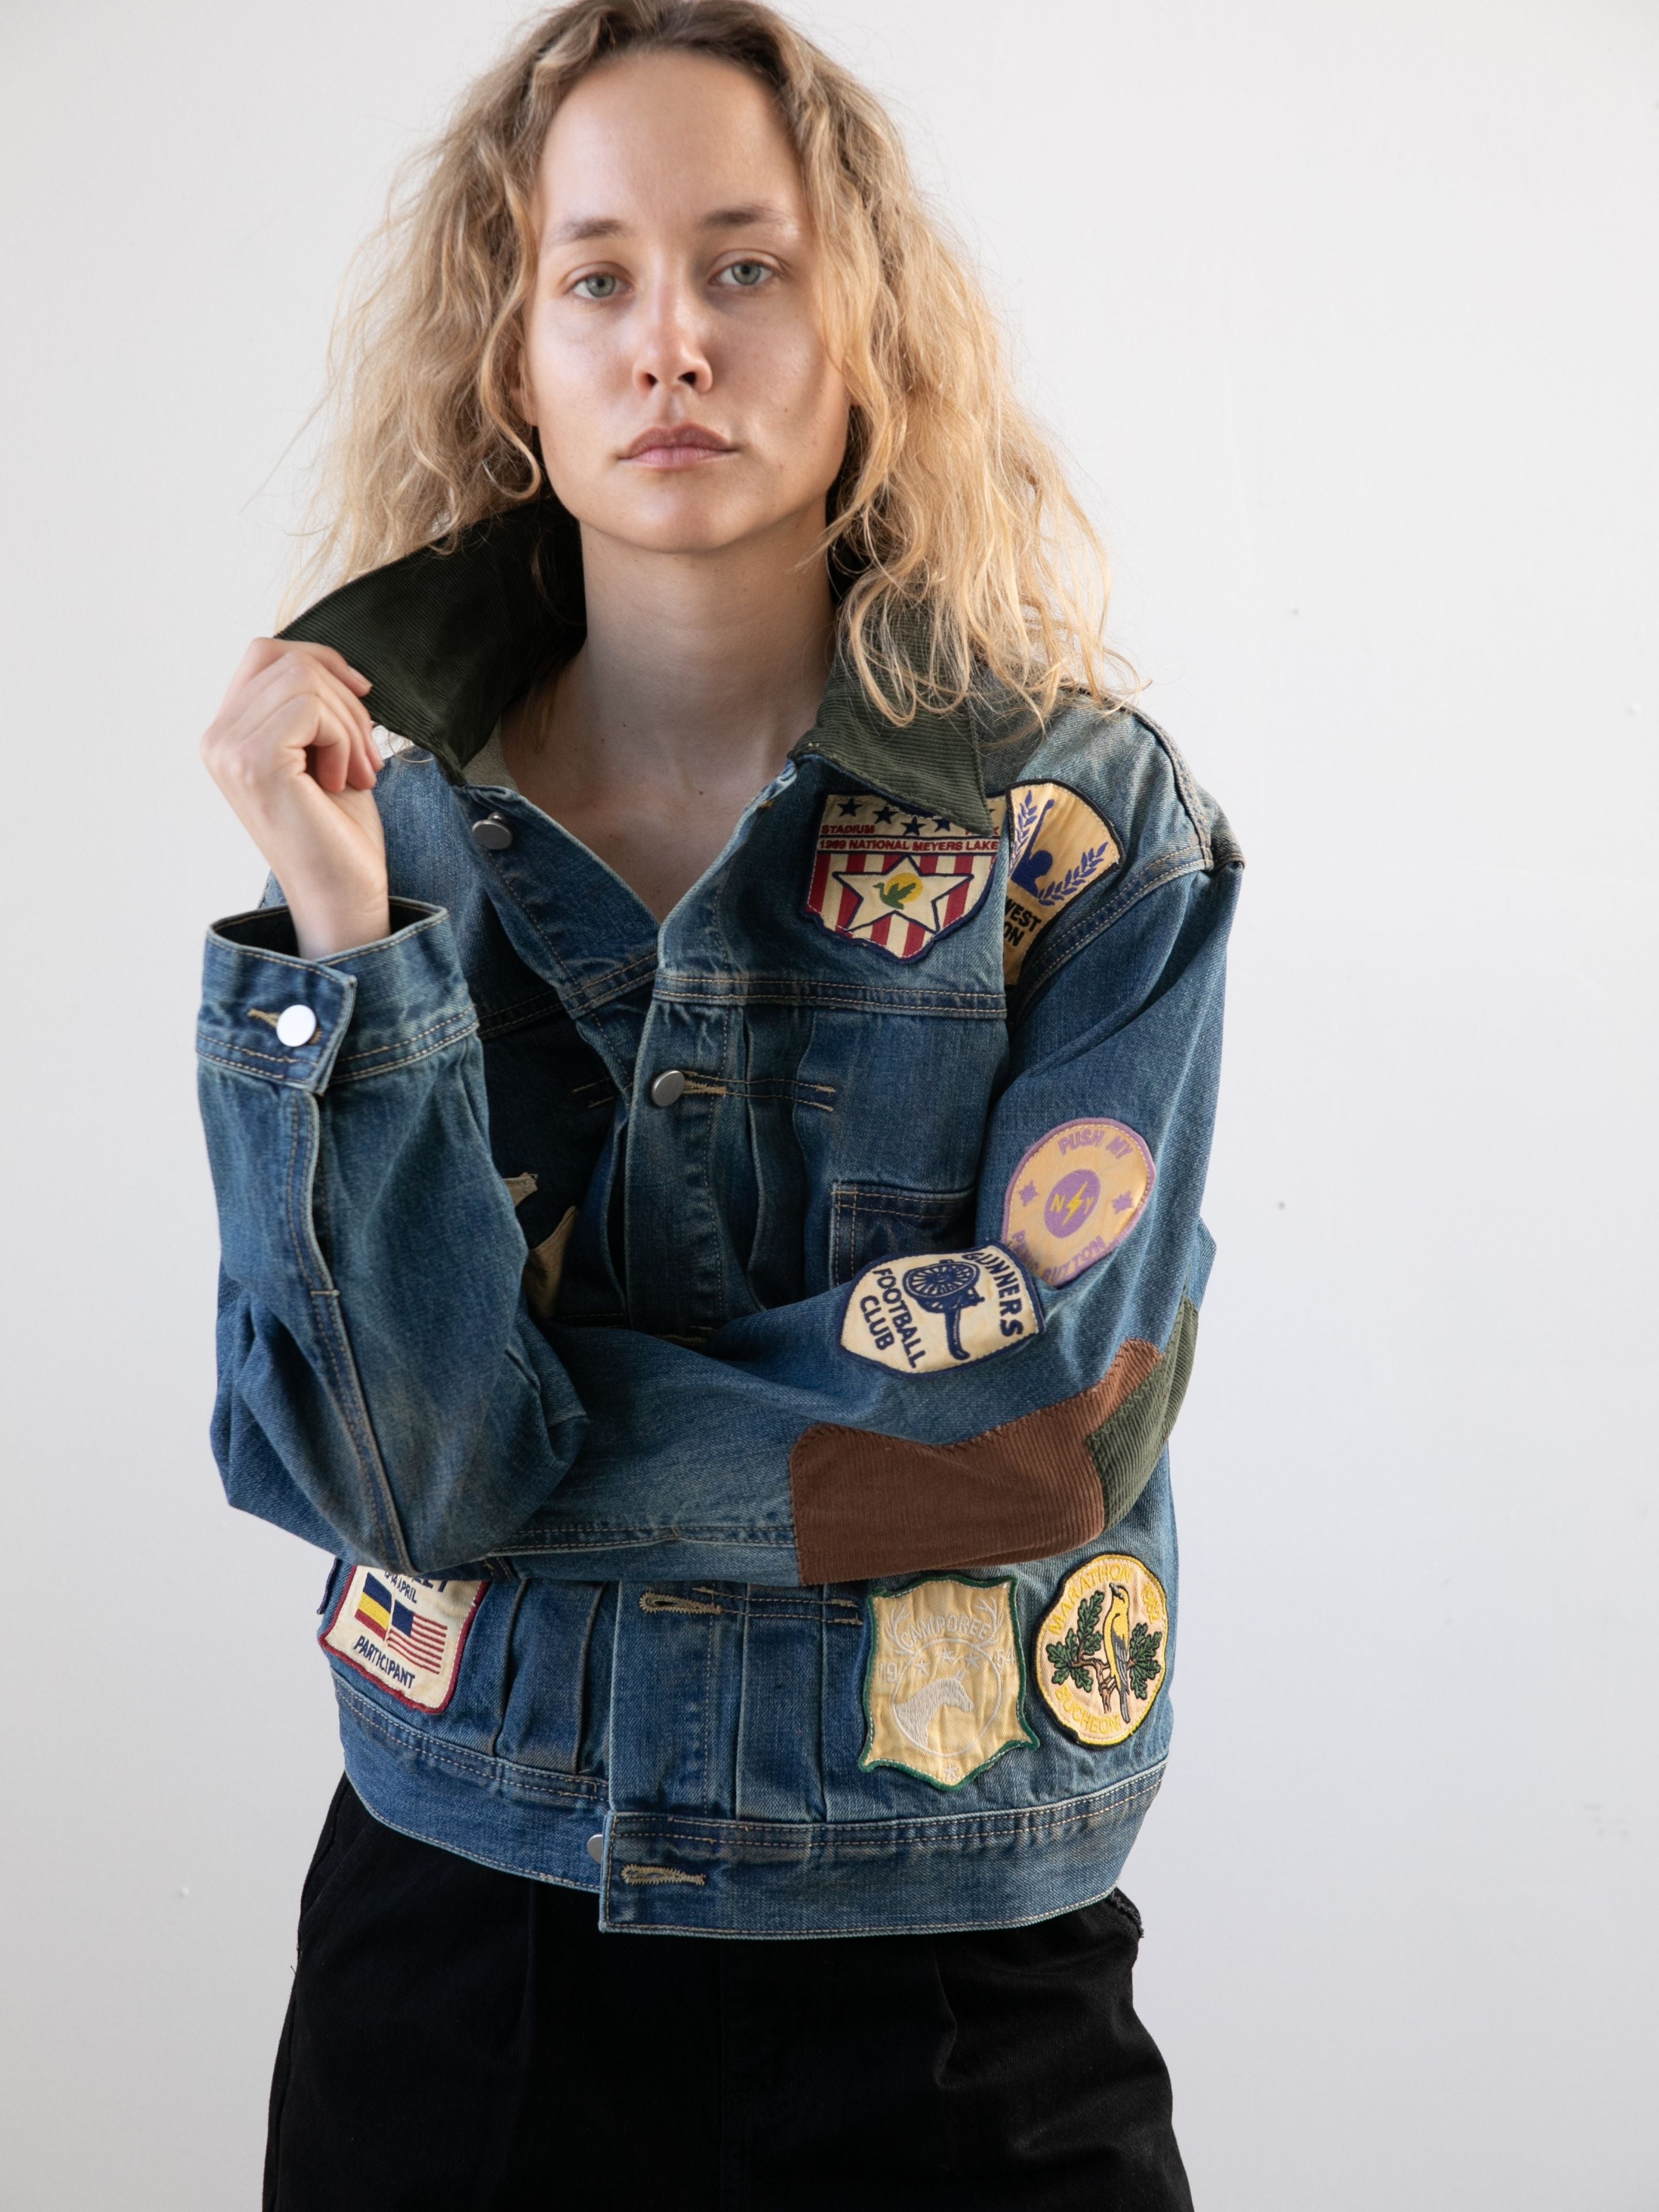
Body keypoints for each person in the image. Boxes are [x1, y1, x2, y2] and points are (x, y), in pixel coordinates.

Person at [195, 3, 1241, 2203]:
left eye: (745, 265)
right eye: (599, 275)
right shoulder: (379, 854)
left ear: (865, 326)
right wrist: (339, 938)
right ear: (519, 362)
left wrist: (502, 1465)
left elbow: (1052, 1423)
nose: (672, 336)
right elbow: (368, 1447)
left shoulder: (1087, 831)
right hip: (466, 1946)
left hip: (952, 1965)